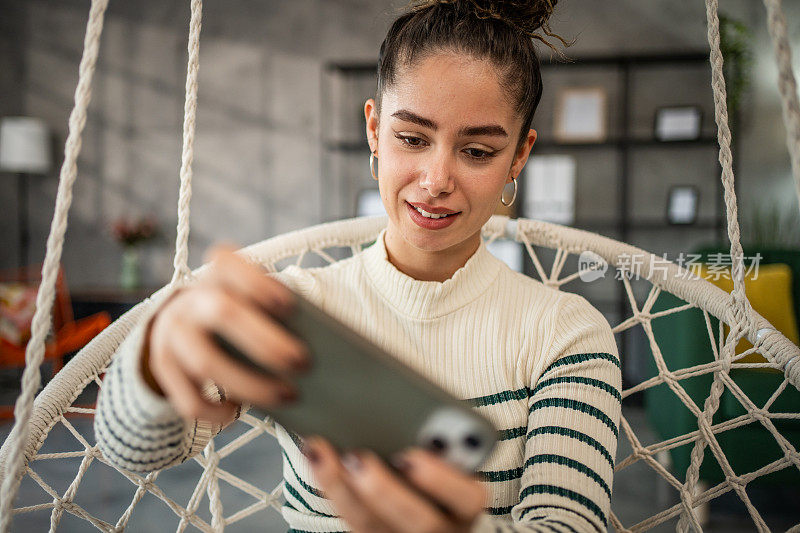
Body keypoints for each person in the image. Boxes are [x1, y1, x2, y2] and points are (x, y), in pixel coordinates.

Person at [95, 1, 622, 531]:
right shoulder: (294, 310)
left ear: (518, 157)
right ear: (374, 129)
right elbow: (130, 452)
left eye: (478, 151)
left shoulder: (565, 333)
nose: (436, 179)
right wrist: (156, 358)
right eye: (412, 139)